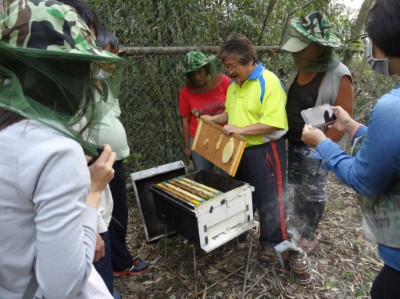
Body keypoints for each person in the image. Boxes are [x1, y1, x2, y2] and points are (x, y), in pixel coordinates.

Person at [0, 0, 120, 298]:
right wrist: (92, 189)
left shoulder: (10, 132)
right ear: (65, 72)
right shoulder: (56, 151)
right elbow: (61, 287)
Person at [301, 0, 400, 297]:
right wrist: (354, 127)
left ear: (385, 40)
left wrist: (323, 145)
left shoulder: (392, 107)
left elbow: (365, 179)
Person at [202, 33, 288, 261]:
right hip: (238, 150)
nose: (229, 70)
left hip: (265, 150)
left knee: (271, 197)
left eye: (233, 65)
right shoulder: (233, 86)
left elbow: (273, 122)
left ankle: (273, 244)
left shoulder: (268, 82)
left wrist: (239, 130)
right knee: (239, 192)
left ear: (249, 60)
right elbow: (233, 113)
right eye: (227, 66)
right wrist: (215, 119)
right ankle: (238, 234)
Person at [281, 12, 354, 253]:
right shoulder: (301, 67)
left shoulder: (339, 75)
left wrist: (319, 149)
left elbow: (342, 122)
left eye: (303, 48)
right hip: (292, 142)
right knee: (297, 187)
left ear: (319, 47)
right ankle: (299, 223)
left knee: (312, 192)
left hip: (317, 147)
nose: (296, 53)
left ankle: (309, 233)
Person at [92, 26, 149, 277]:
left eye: (116, 56)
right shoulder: (83, 84)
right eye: (107, 56)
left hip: (113, 157)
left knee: (118, 210)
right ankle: (119, 262)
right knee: (110, 212)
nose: (112, 62)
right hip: (98, 158)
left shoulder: (106, 85)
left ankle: (115, 259)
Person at [179, 50, 231, 172]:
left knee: (228, 174)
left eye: (200, 72)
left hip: (225, 133)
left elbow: (236, 107)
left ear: (206, 69)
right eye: (193, 74)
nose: (197, 77)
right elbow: (185, 120)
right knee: (204, 175)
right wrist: (187, 146)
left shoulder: (224, 82)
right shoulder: (185, 92)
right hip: (199, 136)